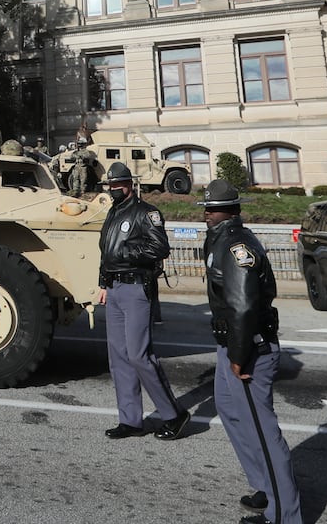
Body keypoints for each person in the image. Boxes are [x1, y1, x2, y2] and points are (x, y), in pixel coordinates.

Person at [202, 178, 303, 524]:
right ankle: (264, 485)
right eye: (206, 208)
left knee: (262, 430)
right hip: (231, 343)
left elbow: (244, 306)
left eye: (213, 209)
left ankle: (284, 516)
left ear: (231, 210)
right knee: (230, 410)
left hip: (247, 349)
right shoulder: (220, 239)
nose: (207, 214)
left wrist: (238, 356)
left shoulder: (236, 246)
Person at [98, 161, 189, 440]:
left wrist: (127, 251)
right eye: (111, 185)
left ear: (130, 185)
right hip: (114, 289)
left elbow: (160, 246)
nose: (114, 189)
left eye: (118, 185)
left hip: (136, 288)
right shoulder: (112, 214)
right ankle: (131, 420)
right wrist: (102, 283)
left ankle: (174, 414)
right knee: (119, 358)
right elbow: (106, 253)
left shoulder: (146, 213)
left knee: (139, 355)